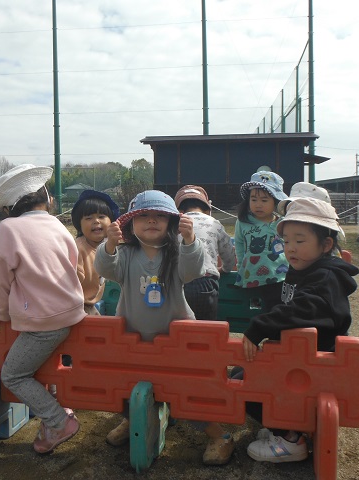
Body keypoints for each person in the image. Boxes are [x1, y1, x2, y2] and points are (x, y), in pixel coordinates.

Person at [94, 190, 235, 465]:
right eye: (143, 215)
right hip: (134, 337)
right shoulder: (126, 254)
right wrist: (109, 244)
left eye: (160, 216)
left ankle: (219, 435)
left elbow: (193, 271)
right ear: (131, 224)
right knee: (125, 384)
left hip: (174, 338)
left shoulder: (177, 252)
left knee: (185, 389)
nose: (152, 220)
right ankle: (134, 419)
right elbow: (105, 269)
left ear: (172, 222)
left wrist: (190, 240)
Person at [241, 197, 359, 463]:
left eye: (300, 240)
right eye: (286, 241)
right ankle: (283, 424)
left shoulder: (325, 277)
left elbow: (302, 308)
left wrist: (260, 326)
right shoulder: (306, 268)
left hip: (315, 367)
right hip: (297, 360)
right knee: (242, 375)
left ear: (325, 245)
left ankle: (289, 440)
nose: (290, 248)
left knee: (246, 383)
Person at [0, 164, 87, 454]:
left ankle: (58, 421)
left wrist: (2, 312)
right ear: (47, 199)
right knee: (42, 362)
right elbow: (72, 263)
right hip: (72, 310)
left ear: (9, 209)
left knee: (13, 375)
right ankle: (56, 406)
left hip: (43, 320)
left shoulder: (8, 229)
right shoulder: (56, 224)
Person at [174, 185, 236, 320]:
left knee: (178, 324)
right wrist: (225, 268)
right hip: (205, 281)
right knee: (205, 324)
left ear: (179, 210)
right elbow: (229, 255)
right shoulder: (214, 223)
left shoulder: (175, 224)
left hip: (177, 282)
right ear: (208, 209)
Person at [234, 170, 289, 312]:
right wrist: (240, 266)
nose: (258, 204)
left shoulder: (283, 222)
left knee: (277, 310)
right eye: (253, 199)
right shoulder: (243, 221)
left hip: (279, 276)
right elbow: (239, 244)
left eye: (264, 200)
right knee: (254, 311)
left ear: (275, 201)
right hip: (251, 275)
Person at [71, 189, 120, 315]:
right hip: (76, 307)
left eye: (101, 216)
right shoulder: (78, 249)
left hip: (91, 304)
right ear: (79, 224)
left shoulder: (110, 245)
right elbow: (70, 285)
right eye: (88, 218)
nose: (96, 221)